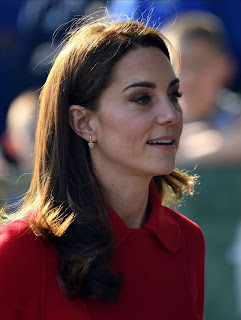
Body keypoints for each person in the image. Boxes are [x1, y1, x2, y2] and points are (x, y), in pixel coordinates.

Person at [0, 16, 205, 320]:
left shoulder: (188, 240)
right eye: (141, 98)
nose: (171, 115)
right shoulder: (20, 251)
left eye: (173, 95)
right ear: (83, 122)